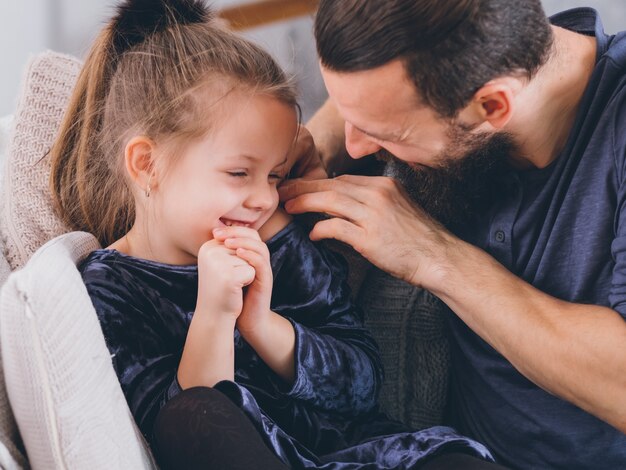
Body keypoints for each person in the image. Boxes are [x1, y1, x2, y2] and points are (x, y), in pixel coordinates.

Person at [47, 0, 502, 468]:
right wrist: (214, 315)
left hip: (367, 456)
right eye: (240, 173)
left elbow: (362, 384)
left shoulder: (277, 240)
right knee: (192, 415)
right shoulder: (110, 289)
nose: (264, 199)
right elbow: (174, 433)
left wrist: (263, 326)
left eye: (275, 174)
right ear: (147, 164)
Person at [279, 0, 626, 468]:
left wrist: (432, 255)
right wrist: (320, 137)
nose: (358, 146)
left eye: (384, 132)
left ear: (492, 105)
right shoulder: (464, 69)